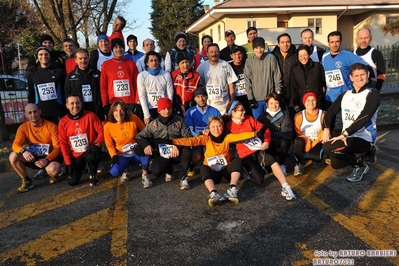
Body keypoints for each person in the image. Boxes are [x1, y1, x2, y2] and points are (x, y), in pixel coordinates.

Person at [160, 116, 266, 207]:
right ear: (209, 128)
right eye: (213, 127)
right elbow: (190, 140)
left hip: (226, 173)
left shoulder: (227, 137)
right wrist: (172, 141)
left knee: (238, 160)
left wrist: (255, 134)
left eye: (219, 126)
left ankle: (232, 190)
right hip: (212, 175)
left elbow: (240, 136)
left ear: (223, 127)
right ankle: (213, 193)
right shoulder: (206, 139)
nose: (216, 129)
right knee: (203, 167)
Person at [225, 101, 296, 200]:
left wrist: (266, 141)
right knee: (259, 180)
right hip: (245, 156)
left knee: (271, 159)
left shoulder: (249, 119)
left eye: (244, 109)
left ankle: (286, 187)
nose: (244, 112)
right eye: (241, 110)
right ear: (233, 112)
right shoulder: (228, 126)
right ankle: (246, 171)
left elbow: (265, 129)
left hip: (258, 150)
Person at [322, 63, 380, 182]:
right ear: (351, 77)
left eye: (362, 74)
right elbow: (331, 112)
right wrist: (326, 128)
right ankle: (365, 154)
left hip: (363, 137)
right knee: (336, 164)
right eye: (356, 75)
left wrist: (346, 133)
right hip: (347, 136)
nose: (360, 78)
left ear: (368, 74)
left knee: (328, 148)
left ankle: (360, 164)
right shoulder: (345, 94)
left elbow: (364, 117)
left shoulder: (373, 93)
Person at [135, 98, 196, 190]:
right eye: (163, 109)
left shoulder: (180, 121)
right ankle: (169, 170)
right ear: (158, 110)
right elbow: (139, 136)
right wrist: (145, 145)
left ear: (172, 108)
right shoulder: (153, 124)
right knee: (156, 171)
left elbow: (188, 138)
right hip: (163, 153)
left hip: (178, 152)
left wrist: (178, 146)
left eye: (169, 108)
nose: (167, 111)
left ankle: (183, 177)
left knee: (187, 151)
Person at [9, 104, 62, 192]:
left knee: (54, 169)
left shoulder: (51, 126)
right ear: (26, 115)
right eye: (30, 113)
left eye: (35, 111)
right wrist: (23, 151)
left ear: (39, 112)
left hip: (49, 156)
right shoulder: (23, 127)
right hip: (33, 156)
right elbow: (15, 145)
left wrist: (47, 159)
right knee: (13, 156)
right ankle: (26, 180)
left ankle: (50, 172)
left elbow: (57, 147)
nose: (33, 115)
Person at [58, 94, 104, 186]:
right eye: (72, 103)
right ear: (67, 105)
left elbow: (101, 132)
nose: (75, 106)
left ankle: (93, 174)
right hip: (75, 155)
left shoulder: (90, 115)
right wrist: (68, 163)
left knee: (93, 155)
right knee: (72, 182)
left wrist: (96, 144)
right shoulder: (63, 122)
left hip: (90, 151)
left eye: (77, 103)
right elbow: (63, 143)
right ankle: (83, 169)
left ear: (81, 104)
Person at [104, 100, 151, 183]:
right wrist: (113, 155)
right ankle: (125, 169)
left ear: (125, 111)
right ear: (112, 113)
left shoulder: (133, 118)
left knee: (146, 151)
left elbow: (145, 131)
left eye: (121, 110)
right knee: (114, 172)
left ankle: (144, 175)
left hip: (137, 151)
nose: (119, 113)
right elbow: (109, 144)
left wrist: (146, 144)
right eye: (116, 110)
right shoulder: (108, 126)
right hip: (122, 154)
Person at [321, 31, 368, 112]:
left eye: (337, 41)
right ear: (328, 43)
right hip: (330, 96)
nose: (334, 44)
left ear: (341, 42)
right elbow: (321, 72)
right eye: (332, 42)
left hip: (346, 95)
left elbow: (363, 67)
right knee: (328, 122)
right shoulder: (325, 56)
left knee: (348, 121)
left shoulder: (348, 55)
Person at [244, 37, 282, 119]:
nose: (259, 50)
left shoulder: (271, 58)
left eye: (261, 47)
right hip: (257, 100)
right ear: (253, 49)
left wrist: (277, 93)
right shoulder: (249, 61)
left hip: (270, 99)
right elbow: (247, 81)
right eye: (256, 48)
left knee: (273, 121)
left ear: (264, 48)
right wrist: (250, 98)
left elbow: (277, 76)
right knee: (259, 123)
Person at [26, 46, 65, 125]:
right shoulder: (32, 74)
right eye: (41, 54)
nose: (44, 56)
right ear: (37, 57)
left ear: (49, 56)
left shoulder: (59, 72)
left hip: (57, 112)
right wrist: (31, 110)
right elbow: (31, 93)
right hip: (41, 113)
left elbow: (64, 90)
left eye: (46, 54)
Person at [100, 38, 139, 116]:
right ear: (112, 49)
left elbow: (137, 84)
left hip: (129, 102)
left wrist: (137, 101)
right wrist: (105, 103)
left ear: (124, 48)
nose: (118, 50)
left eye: (121, 47)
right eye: (116, 47)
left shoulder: (131, 64)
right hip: (113, 103)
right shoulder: (106, 64)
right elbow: (103, 86)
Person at [196, 43, 238, 114]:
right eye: (211, 52)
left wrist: (232, 101)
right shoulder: (202, 67)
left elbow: (231, 85)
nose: (214, 54)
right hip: (208, 106)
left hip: (224, 106)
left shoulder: (225, 65)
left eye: (216, 51)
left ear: (219, 52)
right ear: (207, 54)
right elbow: (198, 85)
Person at [257, 92, 293, 175]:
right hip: (266, 145)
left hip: (279, 144)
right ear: (267, 104)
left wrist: (271, 135)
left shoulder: (285, 116)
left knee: (285, 141)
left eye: (276, 103)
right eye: (271, 103)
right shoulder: (262, 117)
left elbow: (287, 133)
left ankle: (281, 164)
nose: (274, 105)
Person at [64, 48, 103, 120]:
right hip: (79, 112)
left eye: (85, 58)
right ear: (76, 60)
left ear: (89, 58)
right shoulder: (70, 77)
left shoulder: (97, 74)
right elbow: (67, 95)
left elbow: (103, 92)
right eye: (80, 58)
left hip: (96, 111)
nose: (83, 61)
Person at [293, 92, 325, 176]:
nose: (310, 103)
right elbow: (298, 133)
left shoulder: (323, 114)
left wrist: (313, 144)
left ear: (316, 101)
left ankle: (315, 156)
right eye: (308, 100)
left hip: (317, 141)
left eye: (313, 100)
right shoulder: (298, 116)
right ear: (304, 103)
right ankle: (297, 164)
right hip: (304, 141)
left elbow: (324, 132)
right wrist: (307, 142)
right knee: (297, 141)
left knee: (316, 157)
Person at [137, 51, 174, 124]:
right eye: (151, 60)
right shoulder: (141, 76)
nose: (154, 63)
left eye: (156, 60)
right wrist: (146, 114)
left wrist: (168, 110)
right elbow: (142, 96)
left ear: (159, 62)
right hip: (150, 109)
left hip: (163, 109)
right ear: (147, 63)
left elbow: (170, 93)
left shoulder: (166, 74)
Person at [290, 44, 326, 111]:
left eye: (305, 55)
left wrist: (322, 93)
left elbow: (324, 82)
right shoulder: (295, 70)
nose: (303, 58)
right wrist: (295, 103)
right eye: (300, 56)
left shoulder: (317, 66)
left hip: (317, 101)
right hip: (302, 103)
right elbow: (293, 88)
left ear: (309, 55)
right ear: (298, 57)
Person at [272, 33, 298, 117]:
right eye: (282, 42)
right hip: (277, 92)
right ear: (278, 44)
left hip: (293, 92)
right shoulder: (272, 56)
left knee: (293, 115)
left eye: (287, 42)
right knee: (278, 116)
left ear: (290, 42)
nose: (285, 44)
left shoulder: (296, 55)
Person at [171, 51, 203, 116]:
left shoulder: (197, 76)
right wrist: (178, 104)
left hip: (191, 106)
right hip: (177, 106)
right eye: (182, 63)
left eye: (187, 62)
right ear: (178, 64)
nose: (185, 65)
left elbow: (199, 92)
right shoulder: (172, 75)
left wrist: (192, 103)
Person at [229, 45, 250, 115]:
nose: (237, 56)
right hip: (236, 98)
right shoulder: (229, 67)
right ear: (231, 56)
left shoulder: (247, 64)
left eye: (239, 54)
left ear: (242, 54)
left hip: (248, 97)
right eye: (235, 54)